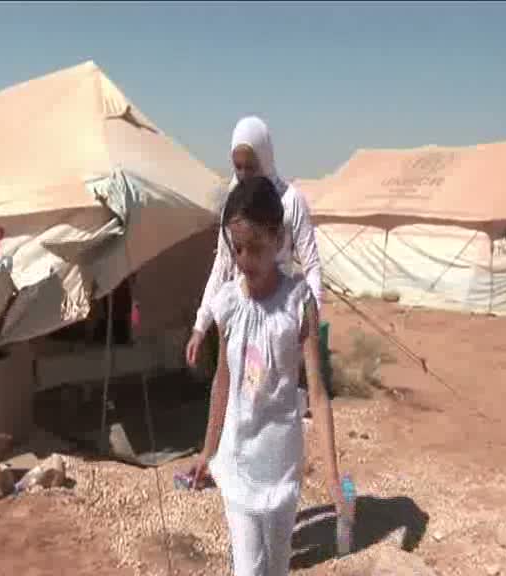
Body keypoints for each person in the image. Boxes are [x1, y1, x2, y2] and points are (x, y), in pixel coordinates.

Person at [188, 176, 344, 576]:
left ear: (278, 239)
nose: (244, 259)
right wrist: (208, 450)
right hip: (238, 464)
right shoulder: (228, 305)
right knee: (248, 569)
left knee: (276, 566)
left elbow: (319, 394)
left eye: (254, 247)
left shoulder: (297, 303)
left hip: (281, 466)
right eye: (236, 248)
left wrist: (332, 475)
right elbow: (222, 381)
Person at [185, 116, 322, 370]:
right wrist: (200, 325)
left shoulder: (291, 201)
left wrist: (309, 326)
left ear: (265, 159)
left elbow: (312, 265)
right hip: (241, 312)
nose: (244, 174)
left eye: (251, 166)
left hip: (280, 317)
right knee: (235, 389)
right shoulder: (234, 204)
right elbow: (222, 265)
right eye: (238, 167)